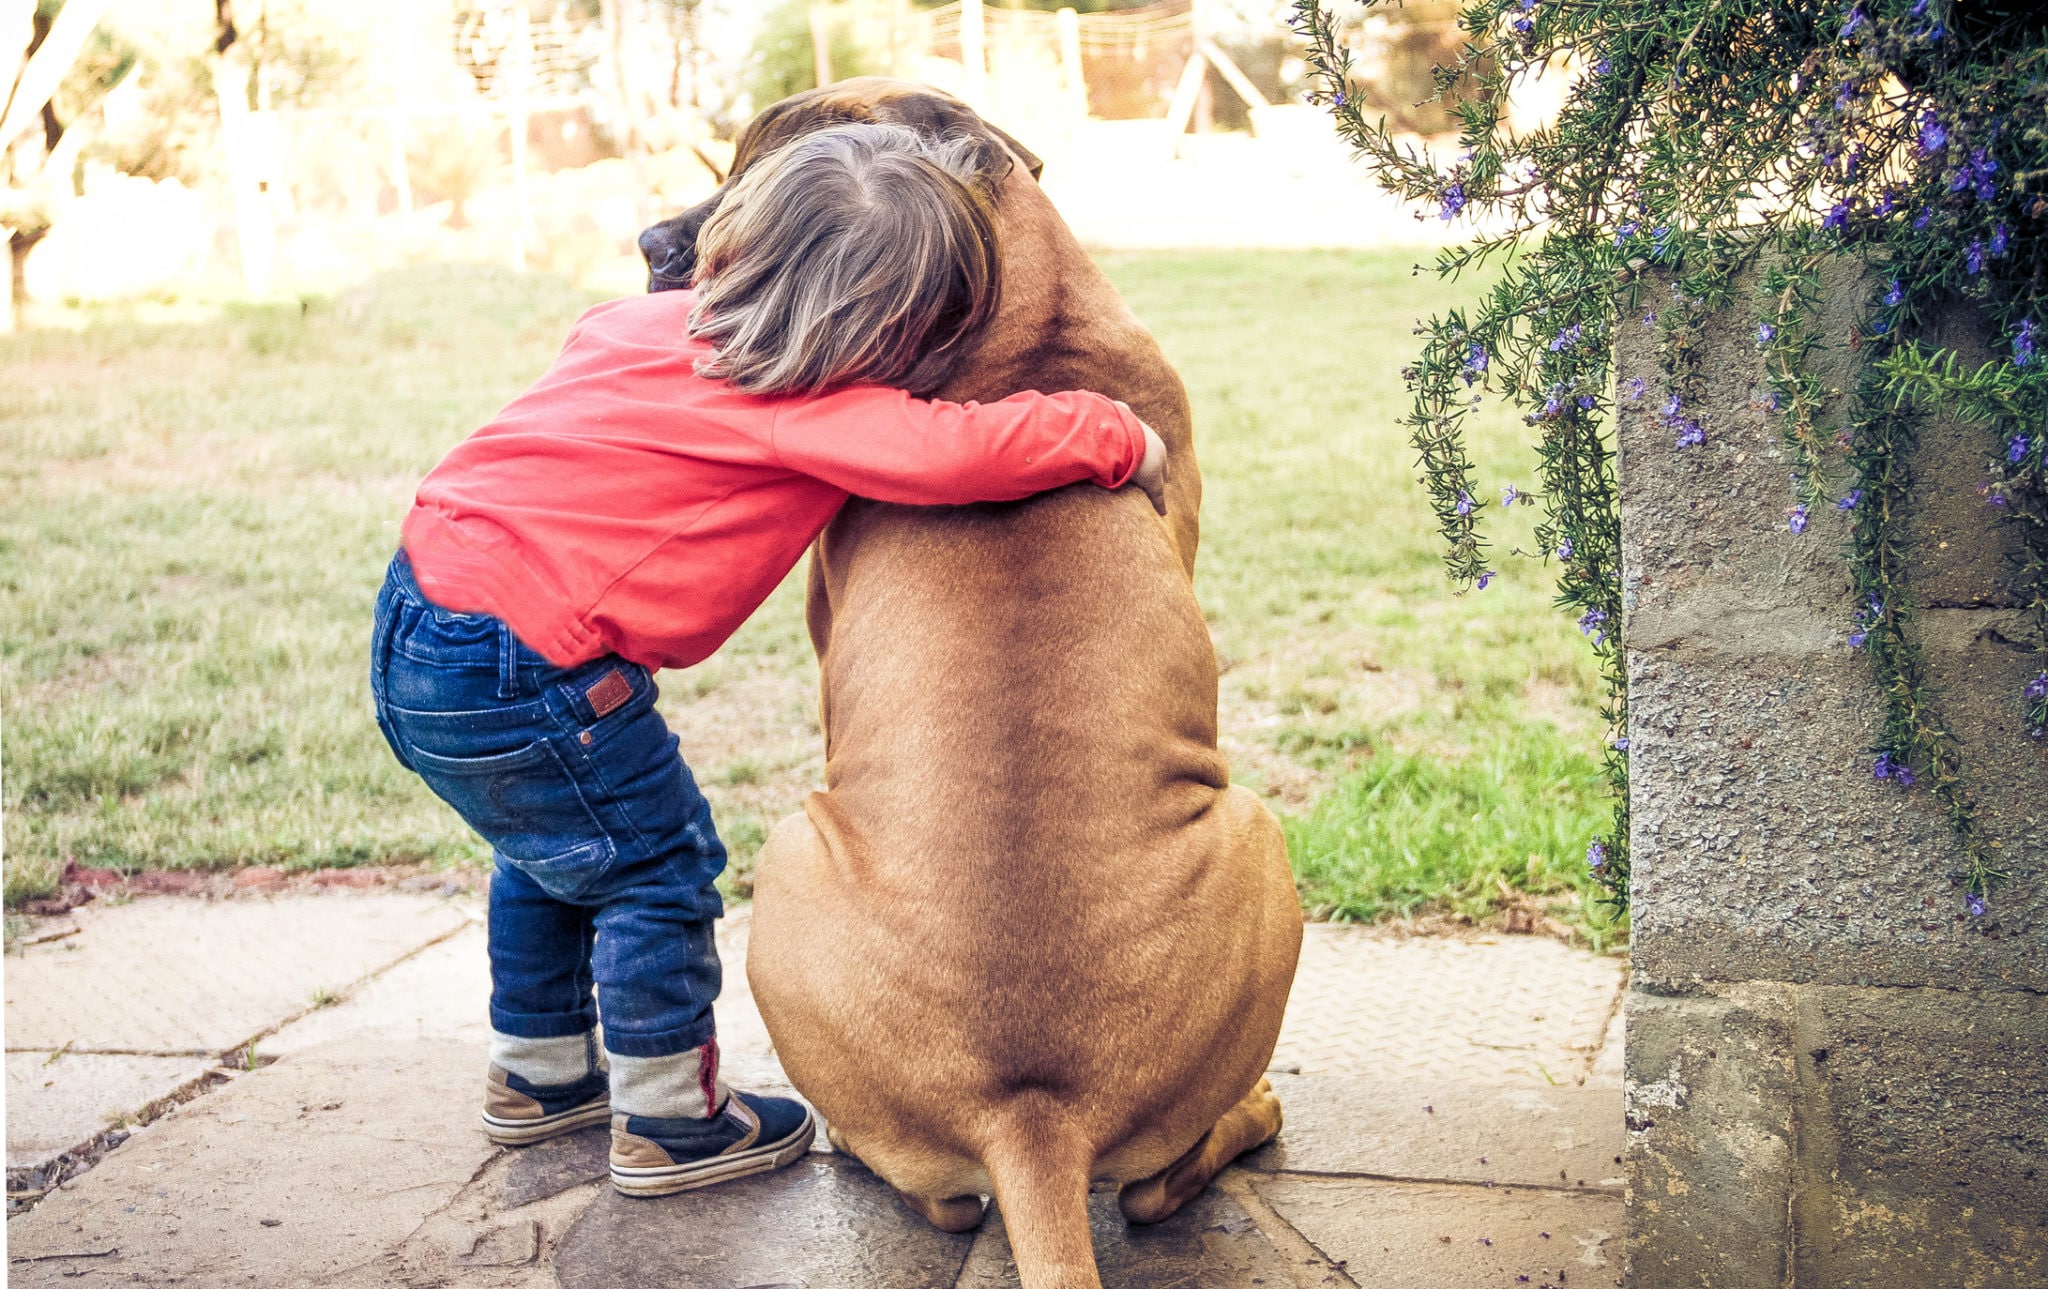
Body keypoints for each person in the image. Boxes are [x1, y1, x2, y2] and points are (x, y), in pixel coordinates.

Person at [368, 122, 1167, 1197]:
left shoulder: (623, 326)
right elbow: (965, 451)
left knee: (552, 850)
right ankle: (671, 1117)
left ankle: (541, 1072)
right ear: (896, 330)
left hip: (417, 621)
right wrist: (1115, 433)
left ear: (737, 242)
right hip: (533, 666)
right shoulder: (805, 411)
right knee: (654, 867)